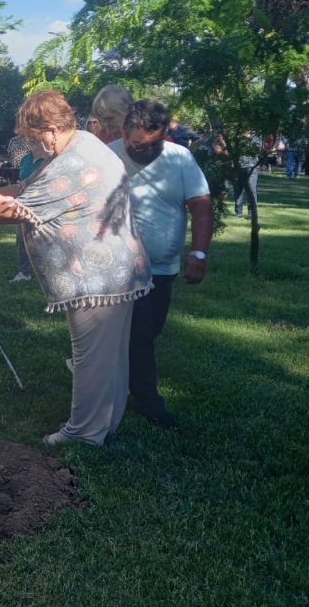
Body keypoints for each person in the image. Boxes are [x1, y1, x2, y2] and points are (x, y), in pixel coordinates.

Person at [0, 89, 151, 446]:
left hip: (97, 277)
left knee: (91, 358)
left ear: (52, 129)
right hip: (117, 270)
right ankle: (106, 424)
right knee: (110, 357)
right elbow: (26, 188)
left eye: (32, 137)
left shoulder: (75, 162)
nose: (29, 146)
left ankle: (83, 434)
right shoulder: (80, 143)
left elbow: (19, 210)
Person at [107, 97, 213, 429]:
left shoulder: (180, 158)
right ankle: (148, 403)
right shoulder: (108, 156)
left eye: (155, 145)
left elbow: (200, 205)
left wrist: (198, 253)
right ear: (125, 134)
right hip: (121, 267)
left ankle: (113, 374)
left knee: (150, 331)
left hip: (163, 268)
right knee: (139, 335)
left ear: (165, 134)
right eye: (138, 145)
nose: (147, 152)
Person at [6, 134, 40, 283]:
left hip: (42, 202)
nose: (30, 140)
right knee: (22, 237)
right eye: (29, 139)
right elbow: (22, 179)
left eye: (33, 138)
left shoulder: (48, 159)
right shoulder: (26, 158)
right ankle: (23, 272)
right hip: (25, 202)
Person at [233, 132, 262, 218]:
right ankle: (238, 212)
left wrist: (248, 138)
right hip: (237, 166)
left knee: (251, 190)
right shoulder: (235, 134)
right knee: (238, 190)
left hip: (251, 166)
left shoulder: (255, 135)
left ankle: (251, 212)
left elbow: (258, 149)